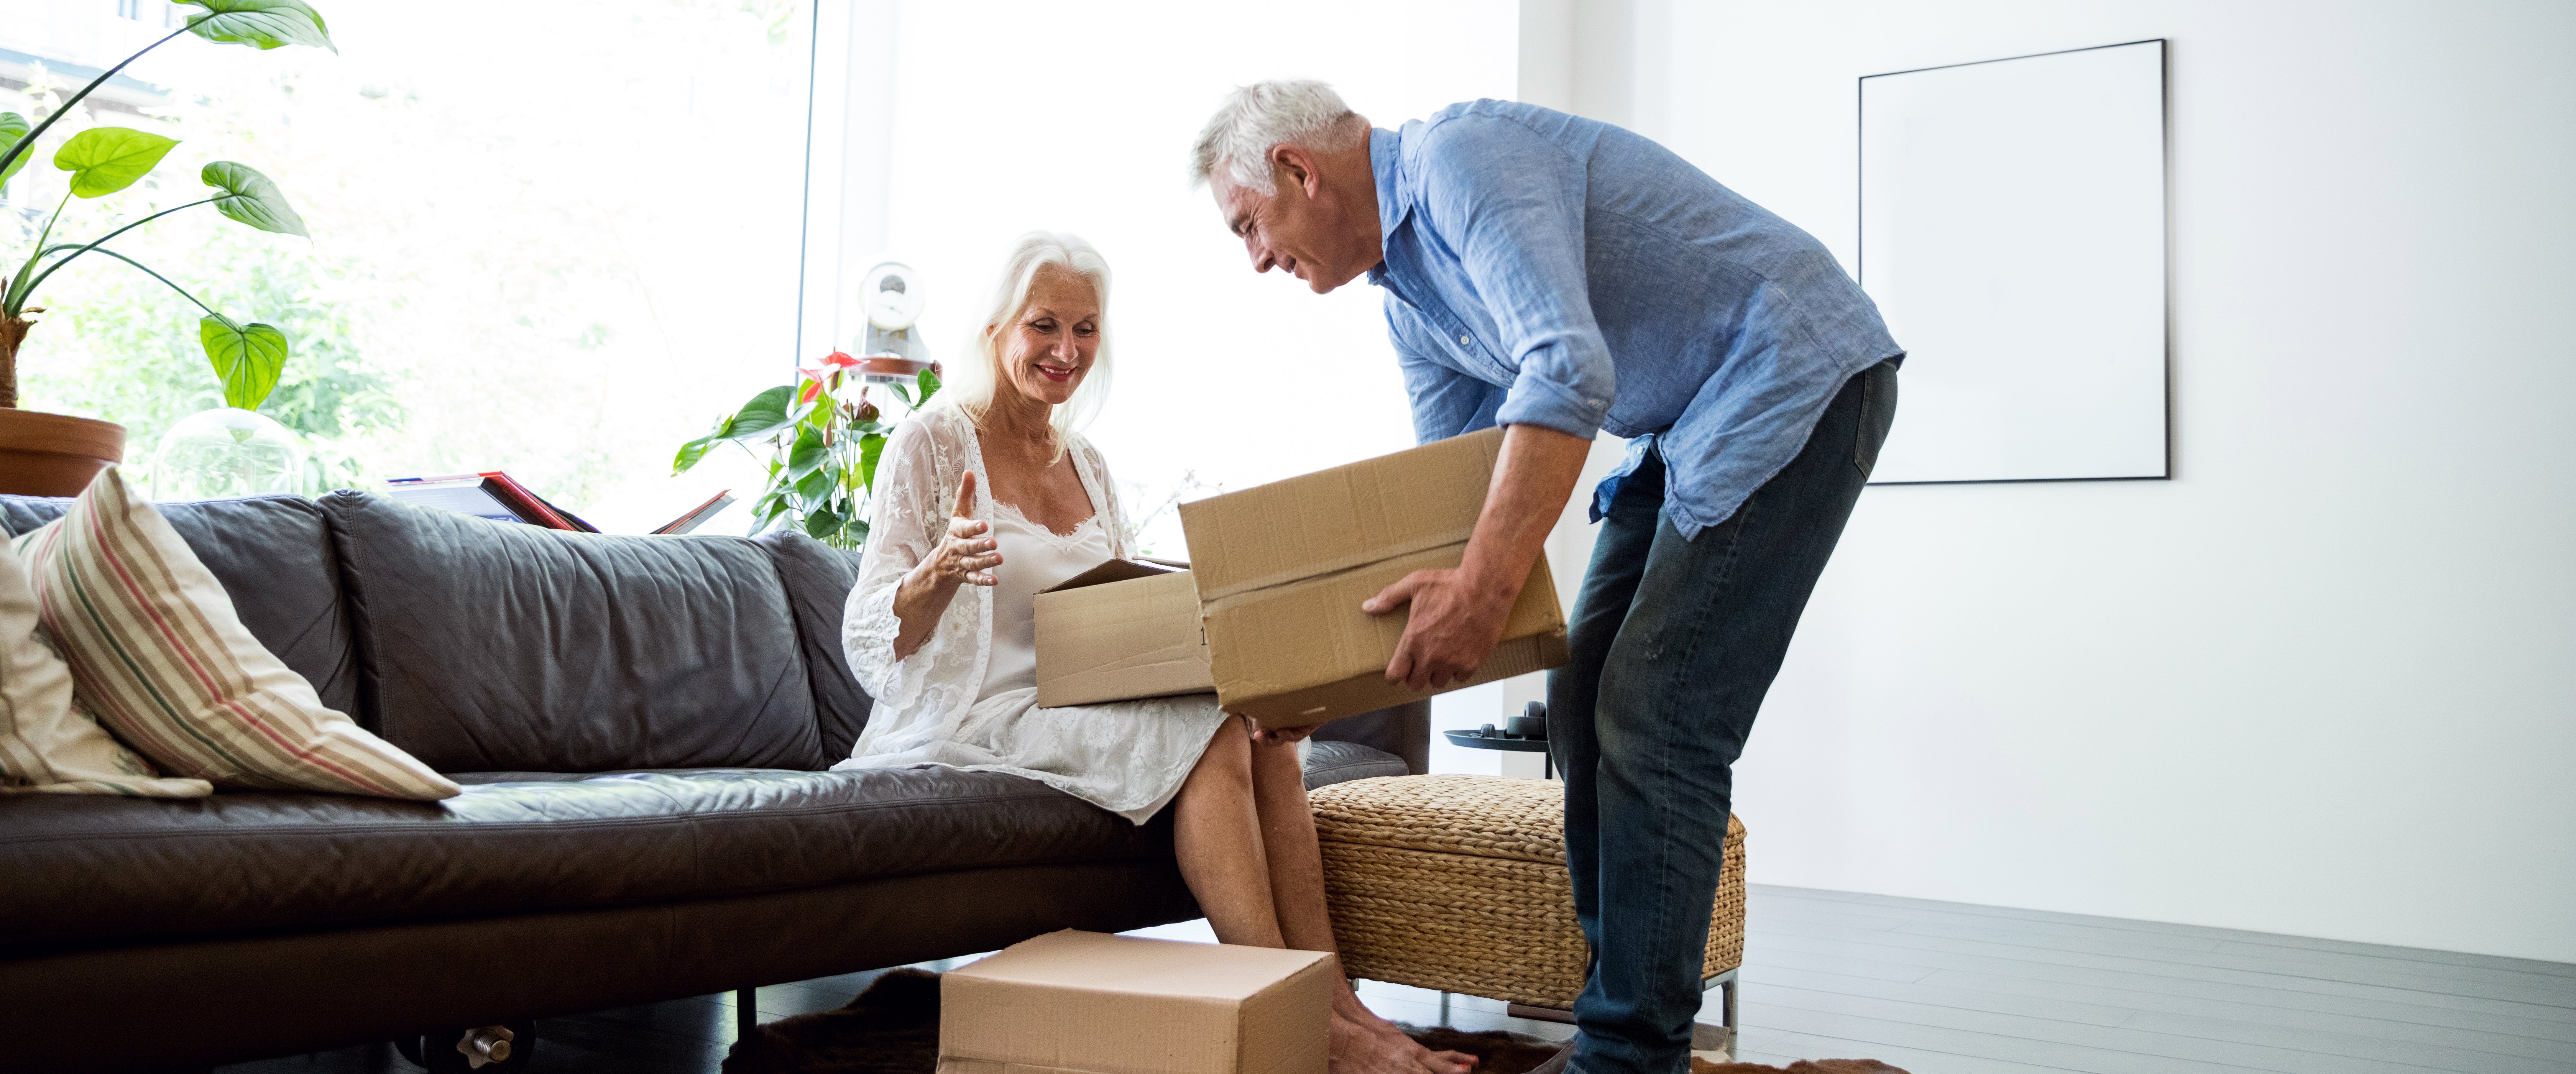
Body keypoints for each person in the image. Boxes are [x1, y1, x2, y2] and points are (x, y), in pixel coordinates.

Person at [1190, 84, 1903, 1074]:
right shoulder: (1410, 304)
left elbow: (1568, 370)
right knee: (1582, 709)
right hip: (1687, 422)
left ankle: (1627, 1055)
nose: (1259, 258)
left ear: (1298, 172)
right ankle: (1626, 1030)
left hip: (1793, 369)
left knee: (1657, 716)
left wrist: (1486, 593)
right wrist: (1324, 685)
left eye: (1248, 226)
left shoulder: (1460, 160)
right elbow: (1448, 508)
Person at [838, 231, 1475, 1074]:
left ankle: (1336, 1000)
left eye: (1086, 329)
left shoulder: (1088, 464)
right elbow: (872, 640)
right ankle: (1301, 1025)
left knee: (1267, 732)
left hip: (1083, 698)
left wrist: (1242, 671)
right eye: (1045, 326)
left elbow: (1124, 617)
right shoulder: (933, 442)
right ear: (996, 327)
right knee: (1212, 733)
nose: (1067, 351)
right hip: (980, 712)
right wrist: (940, 572)